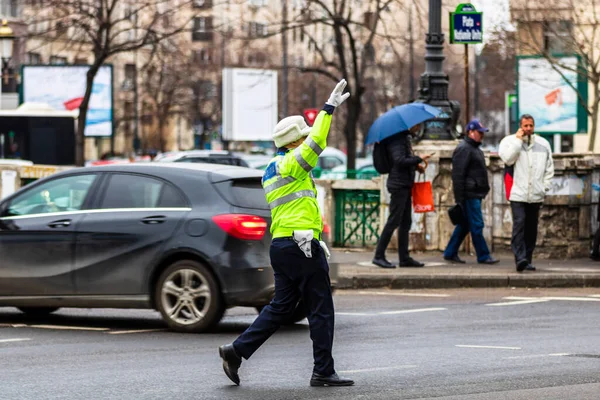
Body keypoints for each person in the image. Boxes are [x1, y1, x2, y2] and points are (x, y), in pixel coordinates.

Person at [218, 79, 354, 387]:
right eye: (302, 137)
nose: (307, 141)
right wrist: (327, 109)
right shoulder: (293, 164)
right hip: (301, 244)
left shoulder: (272, 168)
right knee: (321, 309)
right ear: (293, 142)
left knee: (281, 307)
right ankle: (323, 371)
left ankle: (236, 351)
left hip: (281, 245)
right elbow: (316, 143)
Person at [372, 124, 433, 269]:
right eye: (418, 125)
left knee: (406, 222)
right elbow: (399, 161)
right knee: (393, 221)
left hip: (404, 184)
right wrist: (419, 158)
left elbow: (403, 160)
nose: (419, 128)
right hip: (399, 185)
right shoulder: (398, 139)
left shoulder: (404, 137)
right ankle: (378, 256)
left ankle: (404, 258)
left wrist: (416, 166)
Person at [499, 114, 554, 272]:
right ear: (520, 126)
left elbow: (549, 168)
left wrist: (544, 187)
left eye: (530, 126)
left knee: (531, 229)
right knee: (519, 224)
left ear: (534, 126)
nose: (528, 129)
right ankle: (520, 258)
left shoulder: (543, 144)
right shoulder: (509, 141)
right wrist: (518, 141)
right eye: (525, 126)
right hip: (518, 193)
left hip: (536, 193)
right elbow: (508, 159)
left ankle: (527, 259)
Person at [443, 119, 499, 265]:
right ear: (470, 132)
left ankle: (450, 252)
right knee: (476, 224)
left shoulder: (472, 148)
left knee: (465, 225)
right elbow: (458, 175)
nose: (482, 135)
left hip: (473, 192)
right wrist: (459, 199)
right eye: (479, 133)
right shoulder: (465, 148)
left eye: (482, 133)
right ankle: (483, 255)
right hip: (470, 194)